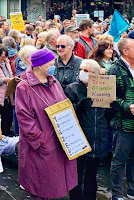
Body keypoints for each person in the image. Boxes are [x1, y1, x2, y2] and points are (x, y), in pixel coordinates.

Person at [15, 48, 77, 200]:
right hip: (40, 145)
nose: (53, 65)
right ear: (40, 65)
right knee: (40, 185)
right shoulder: (24, 87)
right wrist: (41, 140)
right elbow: (24, 119)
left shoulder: (53, 81)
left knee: (53, 184)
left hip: (59, 141)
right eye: (50, 63)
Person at [65, 59, 108, 200]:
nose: (81, 73)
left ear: (95, 74)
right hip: (79, 138)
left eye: (86, 71)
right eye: (80, 70)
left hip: (97, 137)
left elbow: (106, 114)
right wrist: (82, 103)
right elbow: (68, 114)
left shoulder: (103, 87)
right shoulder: (72, 88)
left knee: (91, 174)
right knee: (76, 174)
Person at [107, 38, 134, 200]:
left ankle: (131, 190)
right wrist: (128, 106)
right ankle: (117, 194)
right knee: (119, 160)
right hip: (122, 124)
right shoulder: (114, 69)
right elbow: (109, 97)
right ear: (125, 51)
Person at [0, 44, 13, 136]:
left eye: (4, 56)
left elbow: (10, 74)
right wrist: (2, 80)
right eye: (1, 56)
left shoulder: (7, 62)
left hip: (7, 94)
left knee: (8, 116)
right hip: (1, 95)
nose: (2, 58)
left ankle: (7, 133)